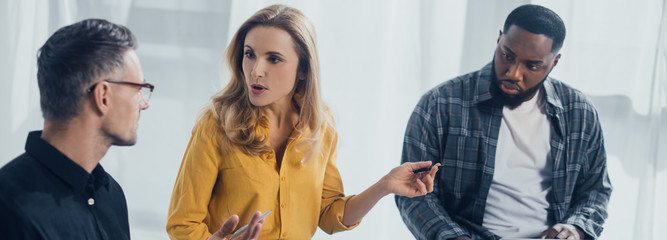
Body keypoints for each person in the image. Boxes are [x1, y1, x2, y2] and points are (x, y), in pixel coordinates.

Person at [166, 4, 440, 240]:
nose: (256, 70)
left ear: (303, 70)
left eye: (273, 59)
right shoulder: (216, 124)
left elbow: (329, 215)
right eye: (249, 54)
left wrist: (384, 186)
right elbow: (182, 223)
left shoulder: (321, 126)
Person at [396, 4, 612, 240]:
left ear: (554, 62)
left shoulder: (579, 112)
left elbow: (595, 191)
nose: (513, 73)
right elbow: (413, 194)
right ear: (499, 40)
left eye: (532, 65)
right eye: (507, 56)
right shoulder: (441, 103)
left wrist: (576, 228)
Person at [0, 19, 152, 239]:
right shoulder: (8, 205)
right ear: (103, 96)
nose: (144, 103)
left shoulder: (111, 195)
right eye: (139, 89)